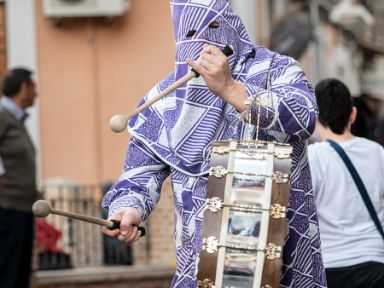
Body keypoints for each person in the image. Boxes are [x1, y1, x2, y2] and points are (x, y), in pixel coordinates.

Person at [102, 0, 327, 287]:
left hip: (282, 261)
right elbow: (140, 170)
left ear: (230, 25)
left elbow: (304, 115)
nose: (204, 47)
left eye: (213, 29)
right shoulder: (166, 98)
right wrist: (129, 207)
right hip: (200, 266)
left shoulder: (278, 69)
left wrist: (231, 89)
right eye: (190, 35)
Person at [308, 78, 384, 288]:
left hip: (330, 266)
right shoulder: (377, 152)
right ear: (352, 114)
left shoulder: (311, 158)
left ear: (315, 117)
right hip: (375, 262)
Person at [0, 67, 38, 288]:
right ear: (24, 88)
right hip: (7, 208)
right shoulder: (3, 116)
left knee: (19, 276)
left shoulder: (14, 119)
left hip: (21, 208)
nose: (36, 94)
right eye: (34, 88)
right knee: (7, 276)